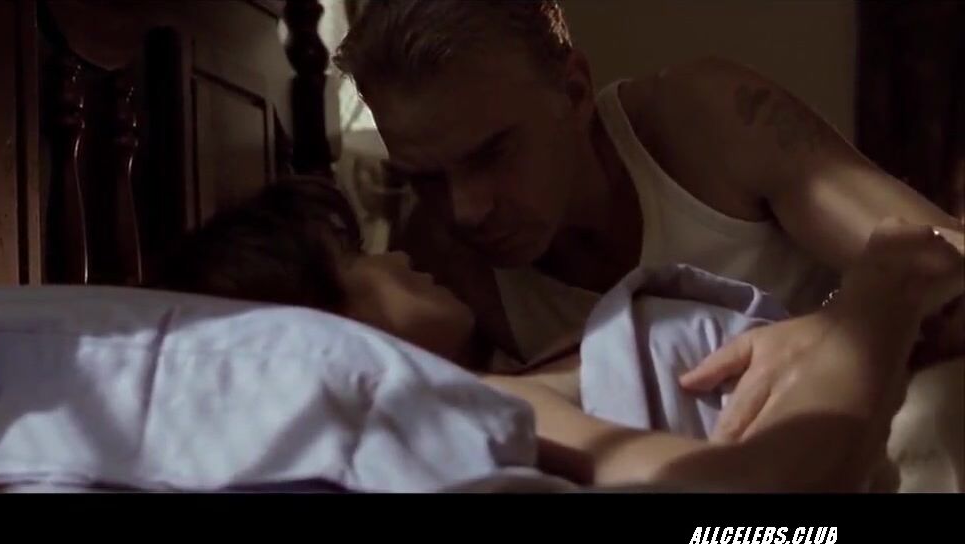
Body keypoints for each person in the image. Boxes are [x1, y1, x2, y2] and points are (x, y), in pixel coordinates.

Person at [330, 0, 965, 442]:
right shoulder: (438, 267)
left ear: (574, 91)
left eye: (491, 154)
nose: (466, 209)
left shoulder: (703, 120)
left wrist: (834, 329)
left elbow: (953, 256)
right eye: (425, 178)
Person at [156, 179, 963, 491]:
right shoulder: (472, 408)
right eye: (354, 258)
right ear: (321, 333)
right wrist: (874, 307)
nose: (394, 253)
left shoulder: (510, 372)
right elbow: (755, 507)